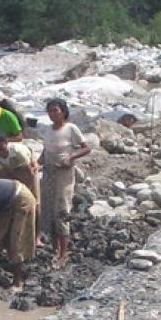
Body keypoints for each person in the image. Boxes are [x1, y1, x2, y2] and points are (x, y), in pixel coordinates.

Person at [41, 98, 91, 268]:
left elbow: (86, 148)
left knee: (62, 211)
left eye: (55, 110)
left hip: (63, 174)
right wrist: (36, 163)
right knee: (49, 210)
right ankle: (54, 250)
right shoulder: (48, 130)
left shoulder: (71, 129)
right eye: (49, 110)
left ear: (63, 111)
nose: (52, 114)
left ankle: (63, 254)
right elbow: (45, 150)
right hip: (48, 173)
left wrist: (71, 156)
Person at [0, 133, 41, 244]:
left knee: (34, 202)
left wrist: (28, 190)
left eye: (2, 149)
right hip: (11, 170)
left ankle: (37, 237)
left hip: (28, 167)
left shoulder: (17, 151)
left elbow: (29, 172)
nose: (1, 153)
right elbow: (4, 172)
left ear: (6, 143)